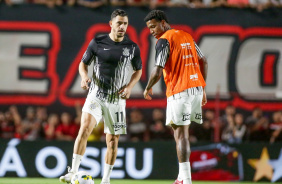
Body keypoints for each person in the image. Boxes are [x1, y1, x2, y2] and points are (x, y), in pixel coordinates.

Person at [59, 9, 142, 184]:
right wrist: (84, 77)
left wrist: (129, 87)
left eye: (125, 23)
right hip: (96, 95)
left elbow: (138, 70)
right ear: (111, 24)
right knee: (85, 129)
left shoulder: (132, 47)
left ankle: (106, 179)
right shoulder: (97, 42)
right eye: (119, 23)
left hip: (117, 100)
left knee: (112, 141)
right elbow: (83, 63)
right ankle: (72, 172)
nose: (122, 26)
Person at [143, 10, 208, 184]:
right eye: (149, 28)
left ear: (163, 23)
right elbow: (204, 61)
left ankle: (186, 179)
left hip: (180, 91)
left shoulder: (164, 40)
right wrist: (203, 88)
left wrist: (148, 88)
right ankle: (181, 177)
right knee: (178, 132)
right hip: (195, 89)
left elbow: (157, 70)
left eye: (153, 26)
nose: (151, 31)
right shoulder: (187, 36)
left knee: (181, 134)